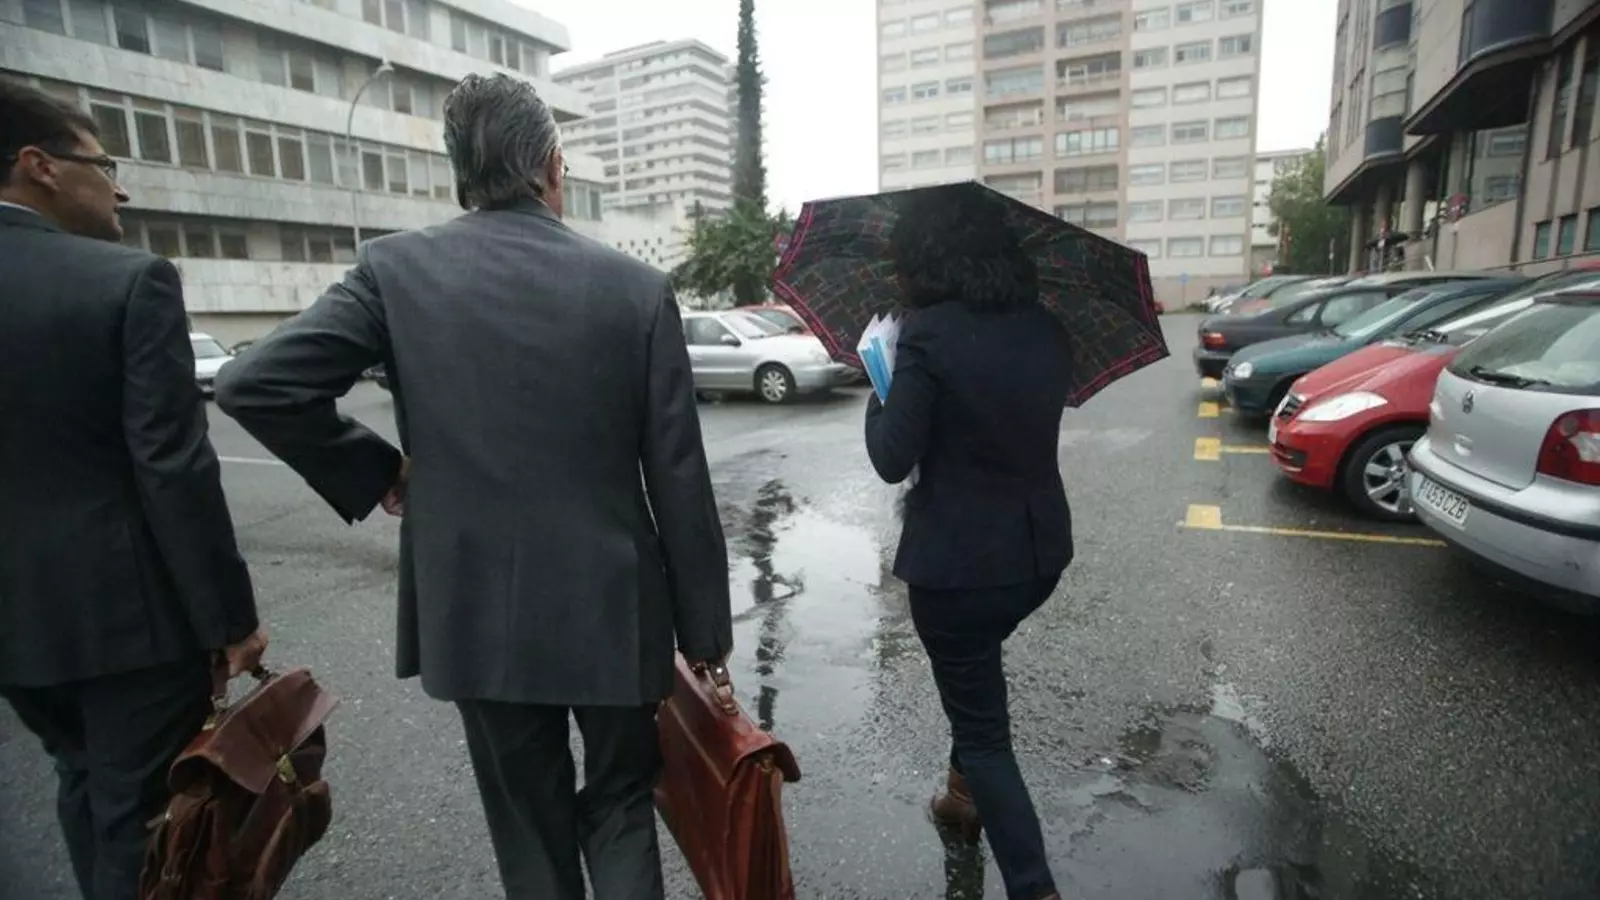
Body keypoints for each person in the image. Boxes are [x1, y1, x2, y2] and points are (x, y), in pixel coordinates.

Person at [214, 73, 734, 900]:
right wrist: (705, 634)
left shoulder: (394, 271)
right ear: (553, 167)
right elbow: (679, 473)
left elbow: (254, 384)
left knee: (528, 825)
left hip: (476, 609)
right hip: (615, 608)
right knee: (621, 807)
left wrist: (380, 470)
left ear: (460, 171)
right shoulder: (634, 288)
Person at [0, 82, 267, 900]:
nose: (117, 189)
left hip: (18, 628)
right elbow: (173, 466)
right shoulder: (126, 281)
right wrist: (231, 622)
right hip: (129, 623)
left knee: (79, 777)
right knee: (141, 820)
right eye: (104, 164)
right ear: (40, 165)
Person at [863, 189, 1072, 900]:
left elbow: (892, 456)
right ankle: (960, 798)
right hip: (1037, 557)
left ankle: (1034, 886)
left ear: (926, 259)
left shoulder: (926, 335)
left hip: (956, 571)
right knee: (975, 680)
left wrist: (881, 383)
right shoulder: (1047, 329)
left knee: (984, 734)